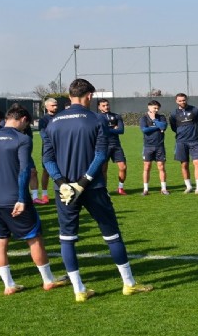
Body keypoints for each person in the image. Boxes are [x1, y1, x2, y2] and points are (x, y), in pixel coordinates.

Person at [42, 78, 153, 302]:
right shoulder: (96, 119)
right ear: (89, 96)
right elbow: (101, 155)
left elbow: (47, 159)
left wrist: (63, 182)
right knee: (112, 235)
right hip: (93, 188)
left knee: (67, 239)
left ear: (70, 95)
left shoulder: (52, 123)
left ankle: (79, 290)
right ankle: (129, 284)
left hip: (64, 191)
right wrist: (83, 182)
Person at [0, 104, 68, 295]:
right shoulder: (22, 139)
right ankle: (48, 280)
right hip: (15, 200)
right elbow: (25, 170)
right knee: (34, 239)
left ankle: (9, 285)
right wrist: (23, 198)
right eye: (27, 124)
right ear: (23, 119)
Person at [169, 93, 198, 195]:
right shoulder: (173, 114)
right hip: (181, 142)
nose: (182, 102)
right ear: (176, 101)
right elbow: (173, 127)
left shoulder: (195, 110)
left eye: (184, 100)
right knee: (184, 165)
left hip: (194, 141)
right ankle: (189, 186)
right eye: (180, 100)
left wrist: (193, 130)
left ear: (187, 100)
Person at [97, 99, 128, 195]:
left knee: (123, 167)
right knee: (103, 169)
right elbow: (99, 131)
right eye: (103, 105)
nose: (106, 107)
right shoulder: (97, 117)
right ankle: (104, 190)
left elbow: (121, 130)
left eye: (107, 105)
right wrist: (113, 128)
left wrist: (107, 129)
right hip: (103, 145)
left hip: (116, 146)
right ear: (99, 107)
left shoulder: (116, 116)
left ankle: (120, 188)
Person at [139, 100, 170, 196]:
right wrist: (157, 127)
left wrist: (154, 120)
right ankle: (145, 189)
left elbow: (163, 126)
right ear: (149, 107)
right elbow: (145, 130)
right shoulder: (144, 118)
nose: (156, 110)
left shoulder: (161, 117)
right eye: (154, 108)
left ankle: (164, 189)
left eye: (157, 108)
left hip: (159, 146)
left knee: (161, 167)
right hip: (148, 146)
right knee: (147, 167)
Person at [35, 98, 59, 204]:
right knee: (46, 171)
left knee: (62, 169)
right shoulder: (44, 120)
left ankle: (61, 191)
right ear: (47, 107)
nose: (55, 107)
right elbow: (43, 134)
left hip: (61, 147)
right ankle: (44, 194)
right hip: (48, 148)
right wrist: (52, 142)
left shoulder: (61, 117)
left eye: (56, 105)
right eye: (53, 105)